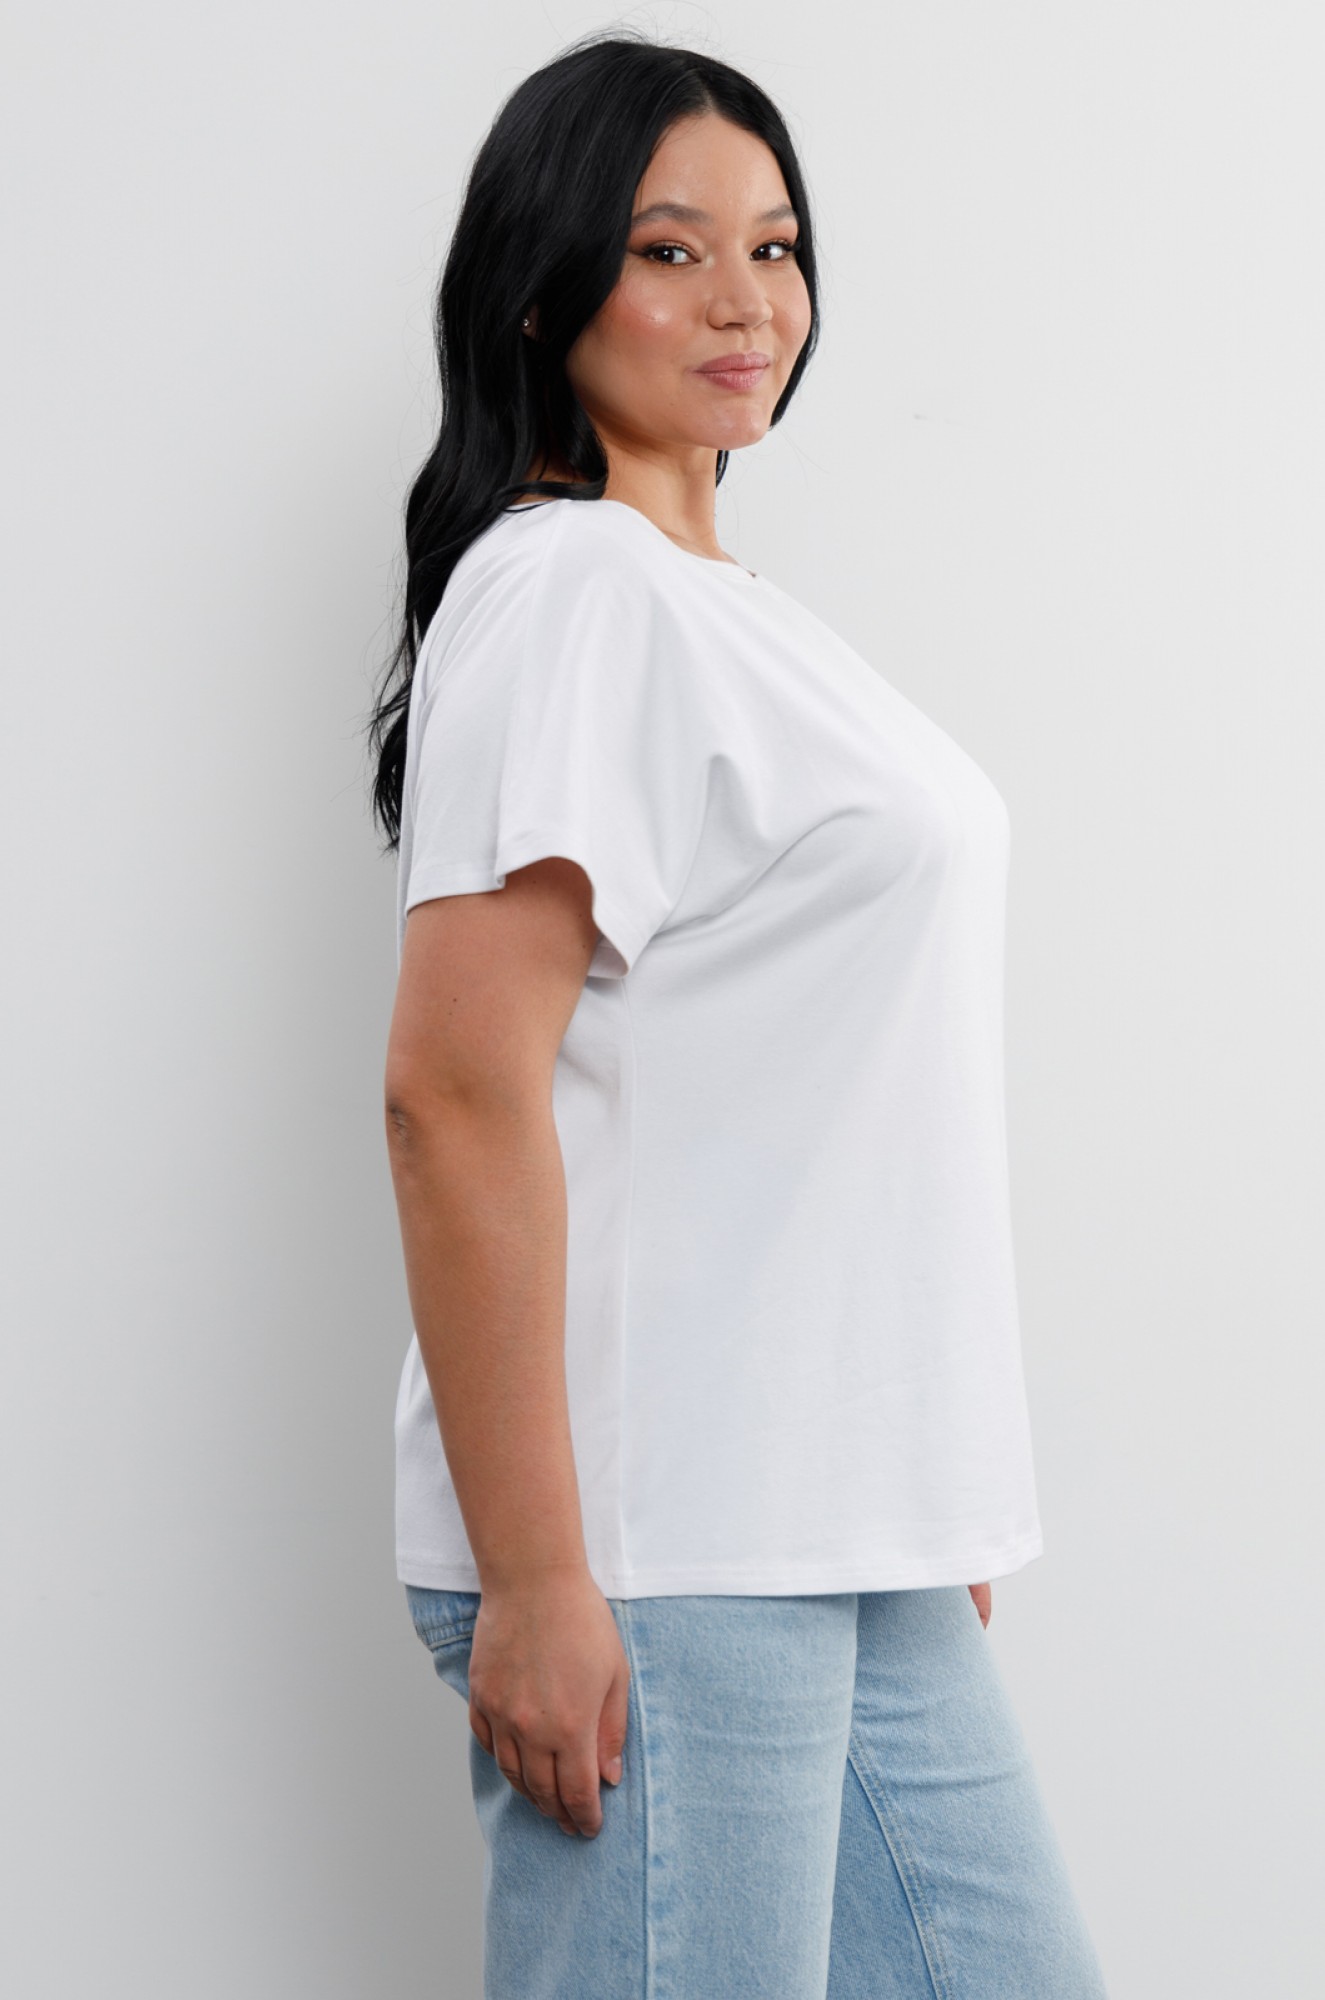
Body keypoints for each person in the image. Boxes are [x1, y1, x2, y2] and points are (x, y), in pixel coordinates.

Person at [369, 29, 1109, 2000]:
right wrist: (538, 1576)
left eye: (772, 247)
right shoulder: (571, 596)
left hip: (825, 1530)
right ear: (545, 286)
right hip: (665, 1545)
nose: (741, 299)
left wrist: (899, 1484)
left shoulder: (723, 614)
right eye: (669, 249)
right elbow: (453, 1093)